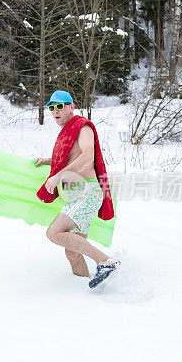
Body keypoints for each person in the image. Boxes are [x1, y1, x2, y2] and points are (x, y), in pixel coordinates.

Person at [35, 90, 119, 288]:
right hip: (78, 195)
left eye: (60, 106)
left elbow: (87, 156)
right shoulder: (67, 132)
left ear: (71, 107)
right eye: (51, 107)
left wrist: (59, 175)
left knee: (54, 233)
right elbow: (71, 157)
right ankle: (82, 291)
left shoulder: (82, 127)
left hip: (87, 193)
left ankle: (105, 261)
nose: (55, 110)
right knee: (72, 251)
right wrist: (50, 161)